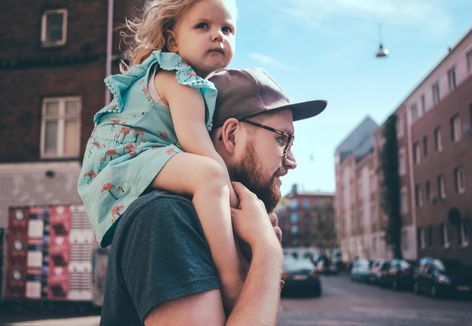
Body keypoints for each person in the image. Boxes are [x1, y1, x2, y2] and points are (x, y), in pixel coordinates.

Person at [100, 68, 327, 325]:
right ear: (230, 135)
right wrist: (269, 253)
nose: (292, 161)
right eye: (282, 138)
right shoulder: (166, 216)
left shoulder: (225, 230)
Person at [78, 0, 244, 310]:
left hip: (125, 161)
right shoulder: (179, 80)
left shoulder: (181, 80)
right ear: (172, 40)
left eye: (227, 29)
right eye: (202, 26)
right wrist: (237, 198)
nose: (218, 35)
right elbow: (200, 149)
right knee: (210, 175)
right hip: (127, 158)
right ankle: (233, 282)